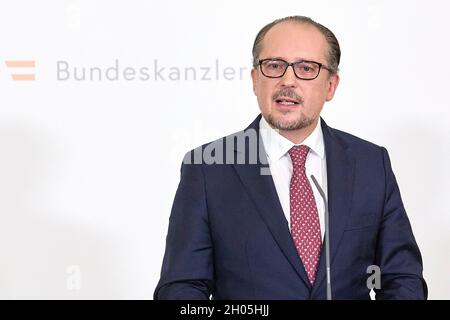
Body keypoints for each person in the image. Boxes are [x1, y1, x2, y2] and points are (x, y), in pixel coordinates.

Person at [154, 16, 427, 300]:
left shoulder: (371, 164)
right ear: (255, 80)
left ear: (331, 85)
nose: (287, 80)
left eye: (306, 68)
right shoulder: (208, 168)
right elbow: (182, 288)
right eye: (274, 66)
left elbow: (400, 277)